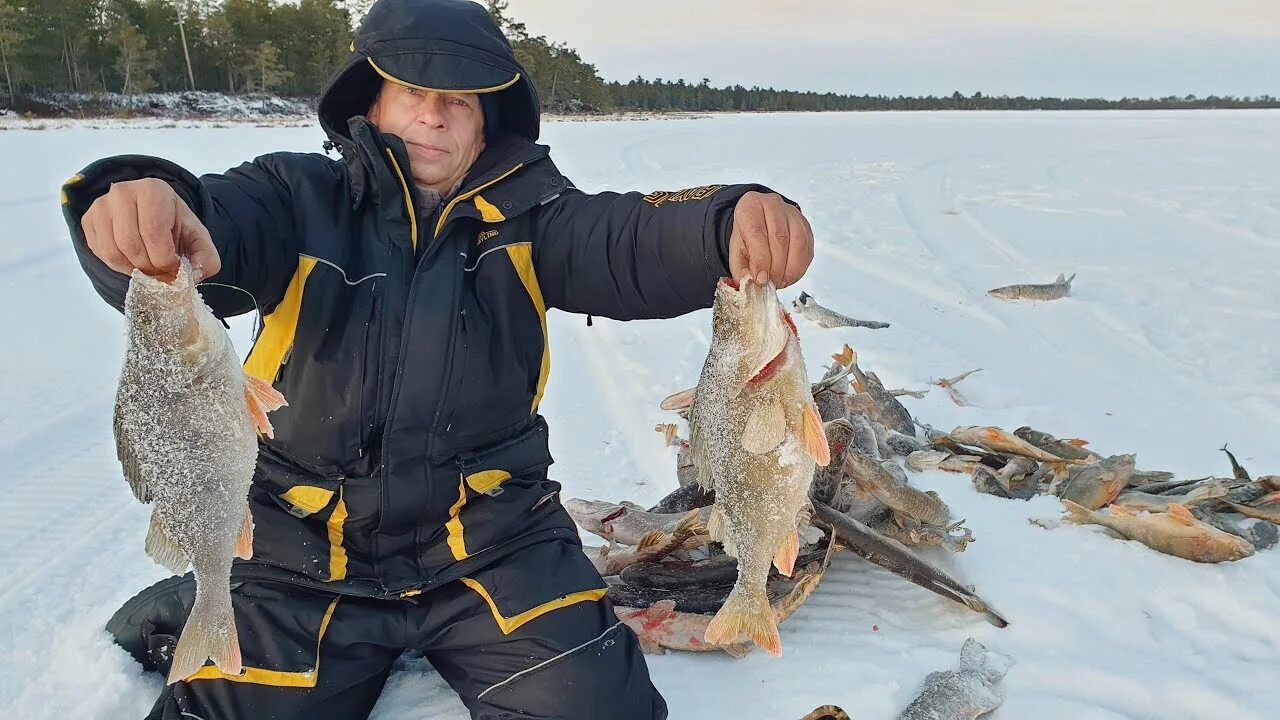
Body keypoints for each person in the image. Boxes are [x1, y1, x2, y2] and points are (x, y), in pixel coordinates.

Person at [60, 0, 814, 717]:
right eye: (413, 89)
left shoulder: (537, 221)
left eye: (460, 100)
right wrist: (129, 201)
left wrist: (729, 218)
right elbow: (209, 224)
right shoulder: (293, 196)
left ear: (486, 124)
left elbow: (631, 239)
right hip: (300, 557)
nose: (433, 112)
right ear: (373, 102)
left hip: (498, 543)